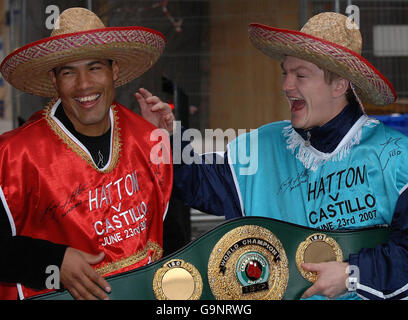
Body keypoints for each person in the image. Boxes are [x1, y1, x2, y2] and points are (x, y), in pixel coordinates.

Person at [141, 12, 408, 300]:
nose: (286, 86)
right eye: (285, 72)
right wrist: (165, 138)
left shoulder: (394, 157)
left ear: (340, 84)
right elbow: (199, 183)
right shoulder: (263, 144)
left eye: (300, 75)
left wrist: (351, 274)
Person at [0, 7, 173, 300]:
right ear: (54, 81)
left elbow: (172, 237)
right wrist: (52, 261)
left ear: (114, 71)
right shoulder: (13, 156)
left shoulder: (147, 139)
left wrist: (171, 145)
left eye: (94, 67)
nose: (84, 85)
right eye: (69, 72)